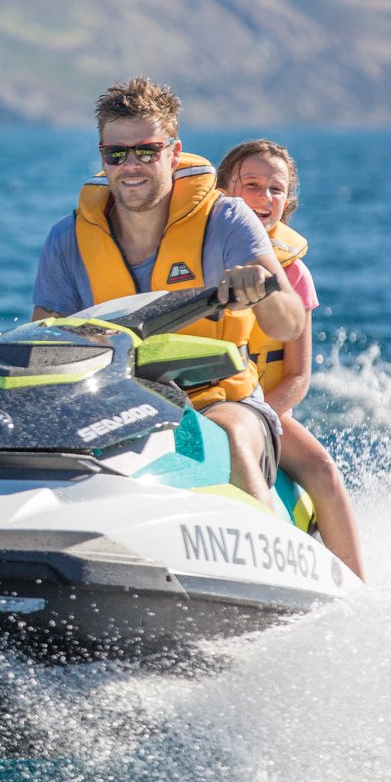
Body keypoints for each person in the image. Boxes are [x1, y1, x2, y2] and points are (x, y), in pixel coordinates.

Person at [33, 77, 305, 499]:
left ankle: (266, 551)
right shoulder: (66, 240)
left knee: (227, 435)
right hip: (113, 407)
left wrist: (264, 291)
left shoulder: (227, 220)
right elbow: (44, 345)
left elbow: (288, 323)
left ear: (173, 153)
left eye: (146, 150)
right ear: (102, 158)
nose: (131, 165)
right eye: (117, 154)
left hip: (221, 402)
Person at [217, 139, 366, 579]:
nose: (265, 198)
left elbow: (300, 376)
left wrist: (263, 414)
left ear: (289, 201)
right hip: (205, 402)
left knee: (322, 468)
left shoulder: (295, 274)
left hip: (267, 410)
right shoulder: (202, 258)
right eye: (252, 185)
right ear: (226, 193)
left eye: (275, 189)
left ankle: (356, 587)